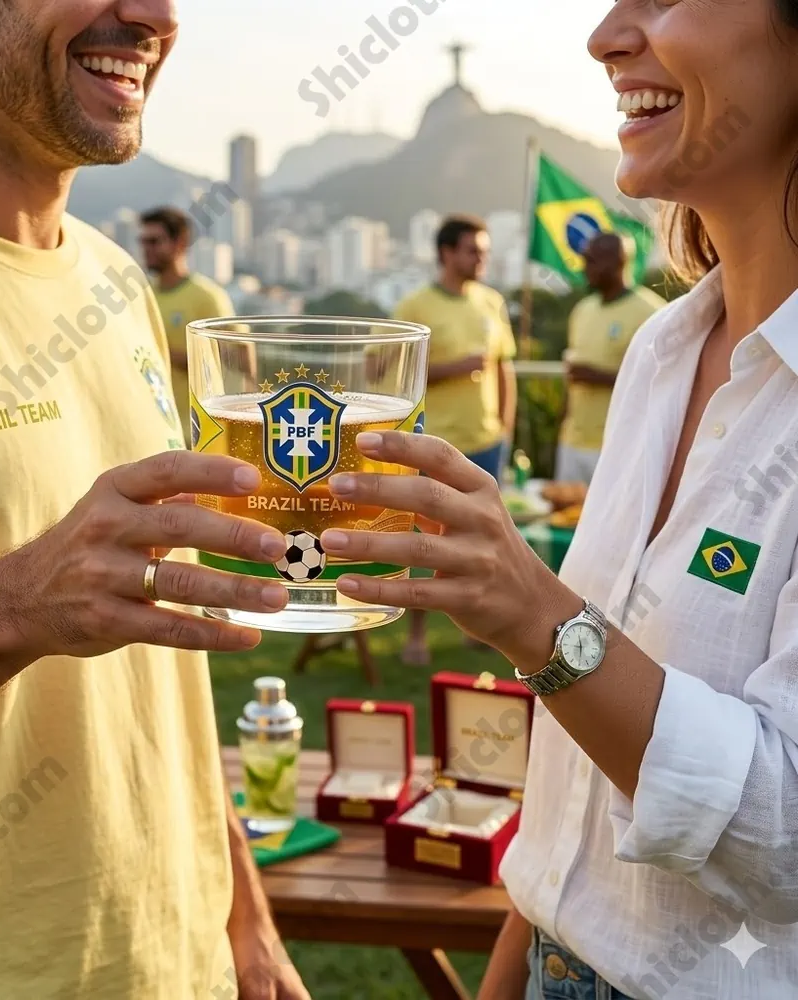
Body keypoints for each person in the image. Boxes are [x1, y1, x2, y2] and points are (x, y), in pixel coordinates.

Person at [0, 2, 310, 999]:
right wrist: (21, 603)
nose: (153, 15)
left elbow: (151, 655)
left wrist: (240, 920)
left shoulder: (115, 282)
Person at [314, 1, 798, 997]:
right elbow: (572, 806)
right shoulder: (660, 359)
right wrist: (518, 963)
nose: (606, 36)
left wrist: (538, 618)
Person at [393, 214, 518, 665]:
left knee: (481, 541)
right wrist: (452, 369)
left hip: (485, 442)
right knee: (424, 542)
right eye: (472, 250)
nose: (481, 258)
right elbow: (387, 374)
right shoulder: (415, 307)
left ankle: (476, 626)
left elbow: (503, 368)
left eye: (484, 251)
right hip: (433, 443)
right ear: (446, 253)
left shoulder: (491, 302)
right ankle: (417, 636)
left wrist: (505, 426)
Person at [556, 232, 665, 484]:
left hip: (619, 446)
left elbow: (662, 383)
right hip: (572, 444)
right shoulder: (582, 310)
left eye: (592, 260)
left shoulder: (652, 313)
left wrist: (598, 376)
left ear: (618, 261)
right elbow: (572, 379)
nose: (585, 268)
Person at [140, 206, 235, 433]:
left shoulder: (207, 297)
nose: (146, 249)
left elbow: (236, 359)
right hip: (153, 430)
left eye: (154, 241)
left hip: (195, 430)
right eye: (144, 242)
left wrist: (158, 351)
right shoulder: (143, 295)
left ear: (180, 242)